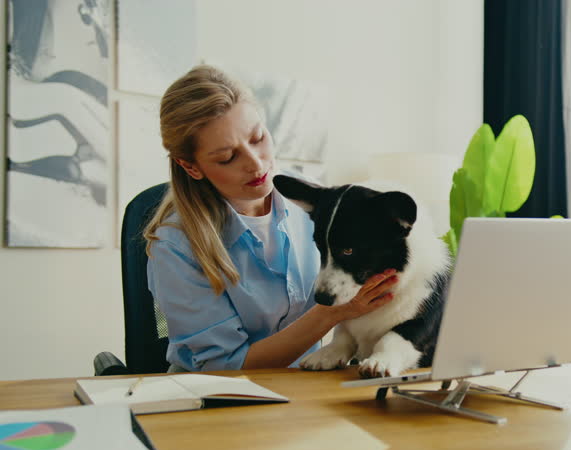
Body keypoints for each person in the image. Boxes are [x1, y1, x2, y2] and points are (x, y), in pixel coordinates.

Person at [144, 65, 397, 372]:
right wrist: (334, 313)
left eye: (258, 137)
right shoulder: (175, 247)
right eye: (227, 157)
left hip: (302, 392)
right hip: (219, 403)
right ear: (192, 167)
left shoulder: (309, 200)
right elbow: (224, 368)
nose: (255, 163)